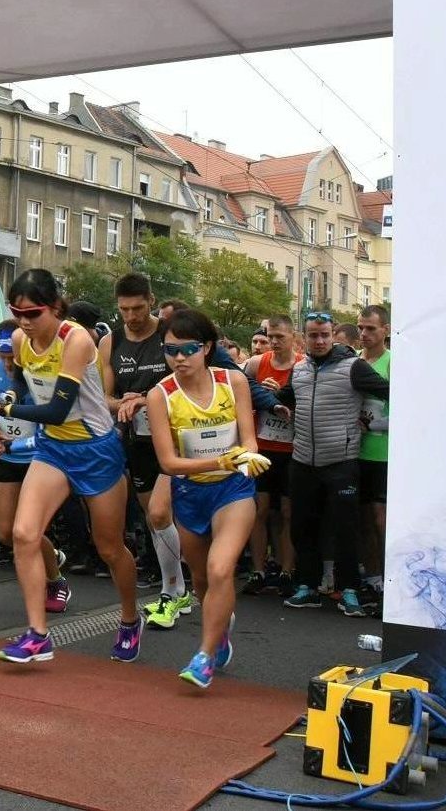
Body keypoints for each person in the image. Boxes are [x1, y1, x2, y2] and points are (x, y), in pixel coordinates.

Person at [0, 269, 140, 665]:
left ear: (55, 307)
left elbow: (57, 410)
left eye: (33, 313)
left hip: (95, 449)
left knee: (109, 547)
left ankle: (129, 617)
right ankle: (37, 635)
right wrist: (12, 396)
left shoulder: (75, 339)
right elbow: (26, 387)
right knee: (23, 534)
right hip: (53, 449)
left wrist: (5, 408)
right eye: (17, 313)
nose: (24, 322)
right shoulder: (22, 340)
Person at [145, 309, 270, 689]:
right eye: (171, 350)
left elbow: (249, 439)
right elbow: (167, 461)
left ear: (207, 348)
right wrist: (217, 459)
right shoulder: (160, 395)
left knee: (220, 569)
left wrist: (247, 458)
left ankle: (204, 655)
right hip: (189, 492)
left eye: (188, 349)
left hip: (232, 489)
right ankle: (220, 634)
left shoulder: (234, 381)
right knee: (201, 578)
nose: (179, 358)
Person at [274, 312, 390, 616]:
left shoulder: (354, 366)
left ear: (333, 333)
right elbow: (280, 397)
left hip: (341, 461)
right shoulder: (299, 370)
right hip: (303, 461)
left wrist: (378, 423)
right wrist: (265, 396)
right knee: (303, 527)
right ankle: (308, 587)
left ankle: (350, 590)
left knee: (345, 530)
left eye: (325, 334)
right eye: (313, 335)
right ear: (304, 337)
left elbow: (390, 392)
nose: (320, 340)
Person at [99, 273, 191, 629]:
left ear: (151, 301)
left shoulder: (171, 334)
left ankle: (172, 592)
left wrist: (148, 400)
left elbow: (189, 380)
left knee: (159, 513)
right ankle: (179, 587)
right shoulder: (111, 341)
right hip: (136, 438)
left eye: (138, 308)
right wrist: (122, 401)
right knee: (156, 518)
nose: (132, 316)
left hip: (176, 433)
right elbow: (104, 397)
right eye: (124, 309)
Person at [0, 321, 72, 608]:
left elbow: (51, 423)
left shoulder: (42, 372)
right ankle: (50, 554)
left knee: (30, 530)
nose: (8, 363)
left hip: (40, 458)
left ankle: (55, 580)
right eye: (4, 355)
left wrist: (9, 444)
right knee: (5, 532)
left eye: (14, 357)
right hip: (7, 457)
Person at [240, 315, 301, 595]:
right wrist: (259, 397)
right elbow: (239, 392)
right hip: (262, 447)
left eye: (280, 337)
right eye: (270, 336)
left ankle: (288, 570)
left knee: (288, 512)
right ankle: (258, 570)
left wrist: (284, 397)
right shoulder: (256, 364)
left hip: (292, 450)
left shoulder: (302, 366)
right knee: (259, 511)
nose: (274, 342)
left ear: (292, 336)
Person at [356, 305, 391, 601]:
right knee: (364, 518)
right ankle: (373, 577)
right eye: (361, 328)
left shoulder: (394, 362)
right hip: (357, 452)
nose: (364, 334)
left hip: (384, 453)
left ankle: (391, 578)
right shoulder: (355, 361)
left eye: (371, 329)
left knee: (381, 519)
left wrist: (374, 424)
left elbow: (410, 407)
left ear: (386, 331)